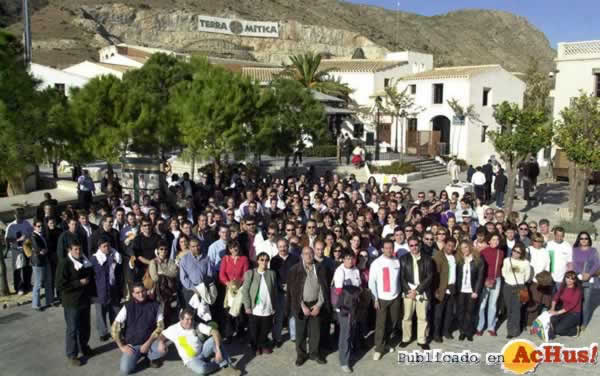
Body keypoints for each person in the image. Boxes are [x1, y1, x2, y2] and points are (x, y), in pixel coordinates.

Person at [159, 308, 240, 376]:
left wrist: (218, 350)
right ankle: (218, 362)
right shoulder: (174, 329)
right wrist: (161, 343)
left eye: (191, 319)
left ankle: (227, 367)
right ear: (181, 319)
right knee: (202, 370)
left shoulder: (196, 325)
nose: (190, 322)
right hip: (190, 360)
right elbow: (162, 335)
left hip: (203, 352)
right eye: (187, 319)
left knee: (213, 340)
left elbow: (215, 332)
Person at [286, 246, 329, 366]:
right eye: (306, 253)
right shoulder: (295, 270)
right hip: (301, 305)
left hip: (315, 304)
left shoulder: (320, 268)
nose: (308, 256)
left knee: (315, 332)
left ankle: (314, 354)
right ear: (301, 255)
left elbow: (323, 289)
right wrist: (302, 306)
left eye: (310, 253)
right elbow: (293, 291)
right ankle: (301, 355)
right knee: (300, 333)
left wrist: (319, 305)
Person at [111, 283, 167, 374]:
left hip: (150, 341)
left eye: (143, 291)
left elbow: (160, 326)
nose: (141, 294)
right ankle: (138, 354)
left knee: (163, 348)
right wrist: (121, 346)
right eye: (137, 293)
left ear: (146, 291)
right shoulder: (127, 307)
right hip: (133, 344)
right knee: (125, 370)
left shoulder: (156, 305)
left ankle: (151, 357)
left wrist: (148, 343)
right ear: (133, 294)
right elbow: (114, 327)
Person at [55, 241, 95, 366]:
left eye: (80, 249)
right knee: (72, 329)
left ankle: (84, 346)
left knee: (85, 326)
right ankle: (72, 354)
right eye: (76, 249)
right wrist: (79, 283)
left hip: (84, 300)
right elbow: (60, 285)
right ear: (70, 250)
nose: (78, 252)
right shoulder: (65, 263)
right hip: (71, 302)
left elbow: (90, 277)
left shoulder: (84, 260)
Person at [369, 239, 401, 360]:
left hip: (395, 297)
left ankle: (386, 343)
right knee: (381, 324)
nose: (389, 250)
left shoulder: (397, 261)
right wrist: (375, 298)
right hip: (382, 298)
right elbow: (372, 282)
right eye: (386, 248)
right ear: (382, 249)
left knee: (392, 322)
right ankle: (378, 349)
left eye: (391, 248)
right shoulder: (376, 263)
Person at [398, 236, 433, 350]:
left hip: (422, 291)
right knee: (407, 316)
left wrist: (417, 291)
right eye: (411, 245)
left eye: (416, 245)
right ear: (409, 246)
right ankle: (406, 338)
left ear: (420, 245)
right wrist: (409, 291)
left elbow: (429, 277)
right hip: (408, 292)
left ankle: (421, 340)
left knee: (422, 317)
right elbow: (401, 277)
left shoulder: (427, 259)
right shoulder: (403, 259)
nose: (414, 247)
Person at [241, 252, 278, 355]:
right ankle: (255, 346)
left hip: (268, 307)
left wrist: (274, 305)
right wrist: (247, 306)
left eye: (266, 260)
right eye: (262, 260)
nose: (264, 262)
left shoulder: (272, 273)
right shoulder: (250, 273)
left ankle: (263, 344)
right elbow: (245, 291)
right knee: (254, 329)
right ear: (257, 261)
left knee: (265, 328)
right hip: (254, 307)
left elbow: (274, 290)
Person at [333, 249, 362, 373]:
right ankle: (344, 361)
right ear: (343, 259)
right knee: (345, 334)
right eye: (347, 258)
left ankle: (349, 353)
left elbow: (359, 286)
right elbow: (338, 291)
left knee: (352, 330)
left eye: (351, 258)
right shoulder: (340, 271)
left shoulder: (356, 270)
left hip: (354, 305)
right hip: (344, 307)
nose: (350, 261)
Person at [90, 237, 123, 341]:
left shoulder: (115, 256)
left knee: (116, 311)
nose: (107, 248)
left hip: (113, 288)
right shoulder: (94, 259)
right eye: (104, 246)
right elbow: (91, 276)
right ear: (99, 247)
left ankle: (116, 331)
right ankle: (103, 333)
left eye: (108, 245)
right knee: (101, 313)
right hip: (99, 290)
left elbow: (119, 273)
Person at [219, 240, 250, 343]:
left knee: (239, 312)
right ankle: (229, 335)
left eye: (236, 247)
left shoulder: (244, 259)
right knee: (228, 312)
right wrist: (228, 284)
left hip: (240, 288)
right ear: (229, 249)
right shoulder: (226, 259)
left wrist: (238, 284)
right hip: (228, 288)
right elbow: (222, 274)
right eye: (232, 247)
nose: (234, 249)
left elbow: (245, 274)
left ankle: (240, 333)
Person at [271, 238, 300, 346]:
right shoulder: (274, 260)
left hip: (292, 290)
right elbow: (274, 276)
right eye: (280, 246)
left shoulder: (295, 259)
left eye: (284, 246)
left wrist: (290, 286)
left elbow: (298, 274)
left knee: (292, 314)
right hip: (279, 291)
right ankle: (277, 337)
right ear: (277, 247)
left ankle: (294, 336)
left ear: (288, 246)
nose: (283, 248)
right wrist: (280, 286)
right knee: (279, 315)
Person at [455, 240, 485, 341]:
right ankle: (462, 331)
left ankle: (468, 332)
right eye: (462, 248)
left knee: (470, 312)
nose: (464, 250)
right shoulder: (459, 259)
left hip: (471, 290)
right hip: (461, 290)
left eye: (466, 247)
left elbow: (480, 278)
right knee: (461, 312)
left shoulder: (478, 260)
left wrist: (476, 291)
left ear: (470, 247)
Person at [501, 242, 531, 339]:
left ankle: (516, 330)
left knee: (517, 309)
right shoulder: (507, 260)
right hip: (508, 286)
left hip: (520, 287)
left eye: (518, 252)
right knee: (509, 309)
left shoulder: (526, 263)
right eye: (514, 251)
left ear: (521, 253)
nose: (516, 253)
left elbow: (527, 276)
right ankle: (510, 330)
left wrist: (520, 282)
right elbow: (504, 272)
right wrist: (509, 280)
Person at [571, 232, 600, 332]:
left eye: (586, 238)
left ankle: (584, 323)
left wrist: (589, 274)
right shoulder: (575, 250)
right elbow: (574, 263)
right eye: (582, 238)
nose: (584, 240)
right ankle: (576, 322)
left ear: (589, 240)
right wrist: (581, 274)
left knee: (586, 303)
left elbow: (597, 264)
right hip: (578, 279)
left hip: (590, 279)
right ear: (579, 239)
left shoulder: (593, 250)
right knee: (576, 301)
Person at [477, 234, 504, 336]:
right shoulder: (483, 252)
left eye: (497, 239)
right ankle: (480, 326)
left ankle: (491, 327)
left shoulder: (500, 253)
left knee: (493, 305)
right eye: (493, 239)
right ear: (489, 241)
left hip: (496, 279)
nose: (495, 241)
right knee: (482, 305)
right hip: (485, 280)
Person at [432, 237, 458, 343]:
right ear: (444, 244)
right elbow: (434, 275)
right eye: (448, 245)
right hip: (441, 289)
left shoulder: (455, 256)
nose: (450, 248)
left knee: (449, 312)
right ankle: (436, 334)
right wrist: (436, 290)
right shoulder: (438, 256)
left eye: (452, 246)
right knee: (438, 314)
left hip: (452, 289)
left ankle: (446, 331)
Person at [5, 208, 34, 295]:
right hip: (17, 250)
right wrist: (17, 239)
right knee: (18, 268)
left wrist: (28, 237)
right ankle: (19, 287)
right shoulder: (11, 226)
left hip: (27, 248)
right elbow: (7, 239)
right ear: (15, 215)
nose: (20, 216)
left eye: (22, 214)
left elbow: (31, 233)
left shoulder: (26, 223)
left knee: (28, 267)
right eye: (18, 214)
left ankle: (27, 285)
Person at [548, 271, 583, 339]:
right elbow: (556, 297)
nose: (569, 280)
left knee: (558, 330)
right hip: (564, 311)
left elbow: (571, 305)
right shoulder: (563, 286)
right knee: (551, 319)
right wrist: (552, 308)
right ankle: (565, 324)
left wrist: (557, 312)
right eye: (567, 277)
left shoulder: (577, 290)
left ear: (575, 280)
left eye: (572, 278)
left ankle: (575, 331)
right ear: (565, 278)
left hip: (574, 314)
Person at [31, 219, 54, 310]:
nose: (40, 228)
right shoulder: (33, 236)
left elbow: (45, 249)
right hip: (38, 262)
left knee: (48, 281)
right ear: (34, 227)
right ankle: (35, 304)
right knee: (38, 283)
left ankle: (49, 301)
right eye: (38, 226)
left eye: (41, 226)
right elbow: (40, 250)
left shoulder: (42, 235)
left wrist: (45, 250)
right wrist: (43, 250)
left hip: (45, 260)